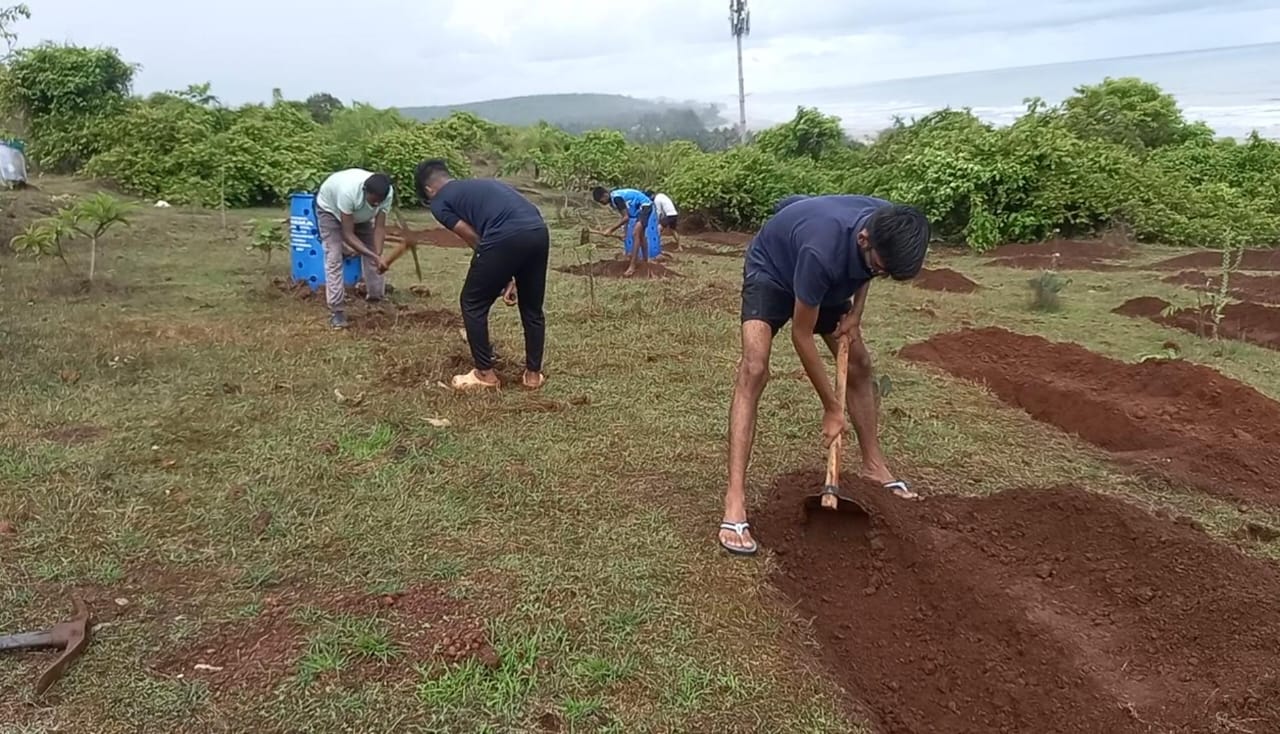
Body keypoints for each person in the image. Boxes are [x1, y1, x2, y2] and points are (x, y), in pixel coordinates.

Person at [719, 195, 929, 556]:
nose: (881, 273)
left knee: (860, 363)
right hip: (773, 271)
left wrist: (856, 313)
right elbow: (803, 335)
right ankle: (734, 499)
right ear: (864, 239)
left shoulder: (885, 222)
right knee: (754, 368)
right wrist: (832, 407)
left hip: (828, 284)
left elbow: (869, 272)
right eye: (881, 267)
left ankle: (874, 466)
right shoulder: (823, 251)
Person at [380, 159, 549, 391]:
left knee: (472, 302)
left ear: (429, 189)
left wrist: (502, 275)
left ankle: (484, 374)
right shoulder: (479, 185)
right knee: (532, 308)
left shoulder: (439, 201)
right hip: (538, 230)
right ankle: (533, 375)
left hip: (504, 236)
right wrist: (506, 276)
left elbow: (471, 236)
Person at [315, 168, 394, 329]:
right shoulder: (348, 193)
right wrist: (373, 255)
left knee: (372, 252)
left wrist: (377, 255)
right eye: (373, 201)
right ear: (365, 191)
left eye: (380, 201)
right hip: (330, 211)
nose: (377, 205)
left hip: (359, 215)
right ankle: (337, 311)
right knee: (334, 256)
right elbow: (348, 234)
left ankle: (375, 300)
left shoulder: (386, 192)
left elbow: (379, 228)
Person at [592, 187, 652, 277]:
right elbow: (625, 217)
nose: (602, 203)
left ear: (605, 195)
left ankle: (632, 266)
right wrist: (625, 233)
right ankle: (645, 261)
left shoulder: (617, 199)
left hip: (645, 206)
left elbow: (626, 217)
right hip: (639, 209)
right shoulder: (613, 201)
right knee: (641, 235)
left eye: (601, 201)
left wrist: (611, 229)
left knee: (636, 233)